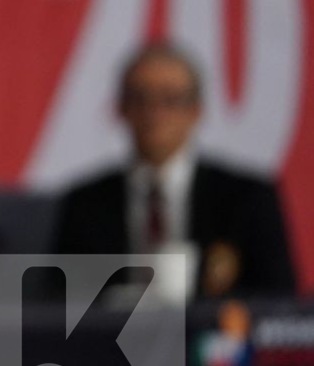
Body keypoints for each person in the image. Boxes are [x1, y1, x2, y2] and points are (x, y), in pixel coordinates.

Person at [53, 41, 297, 299]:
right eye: (140, 98)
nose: (154, 113)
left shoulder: (247, 199)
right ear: (121, 108)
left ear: (196, 110)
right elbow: (59, 306)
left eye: (170, 100)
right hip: (114, 337)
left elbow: (280, 306)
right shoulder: (85, 203)